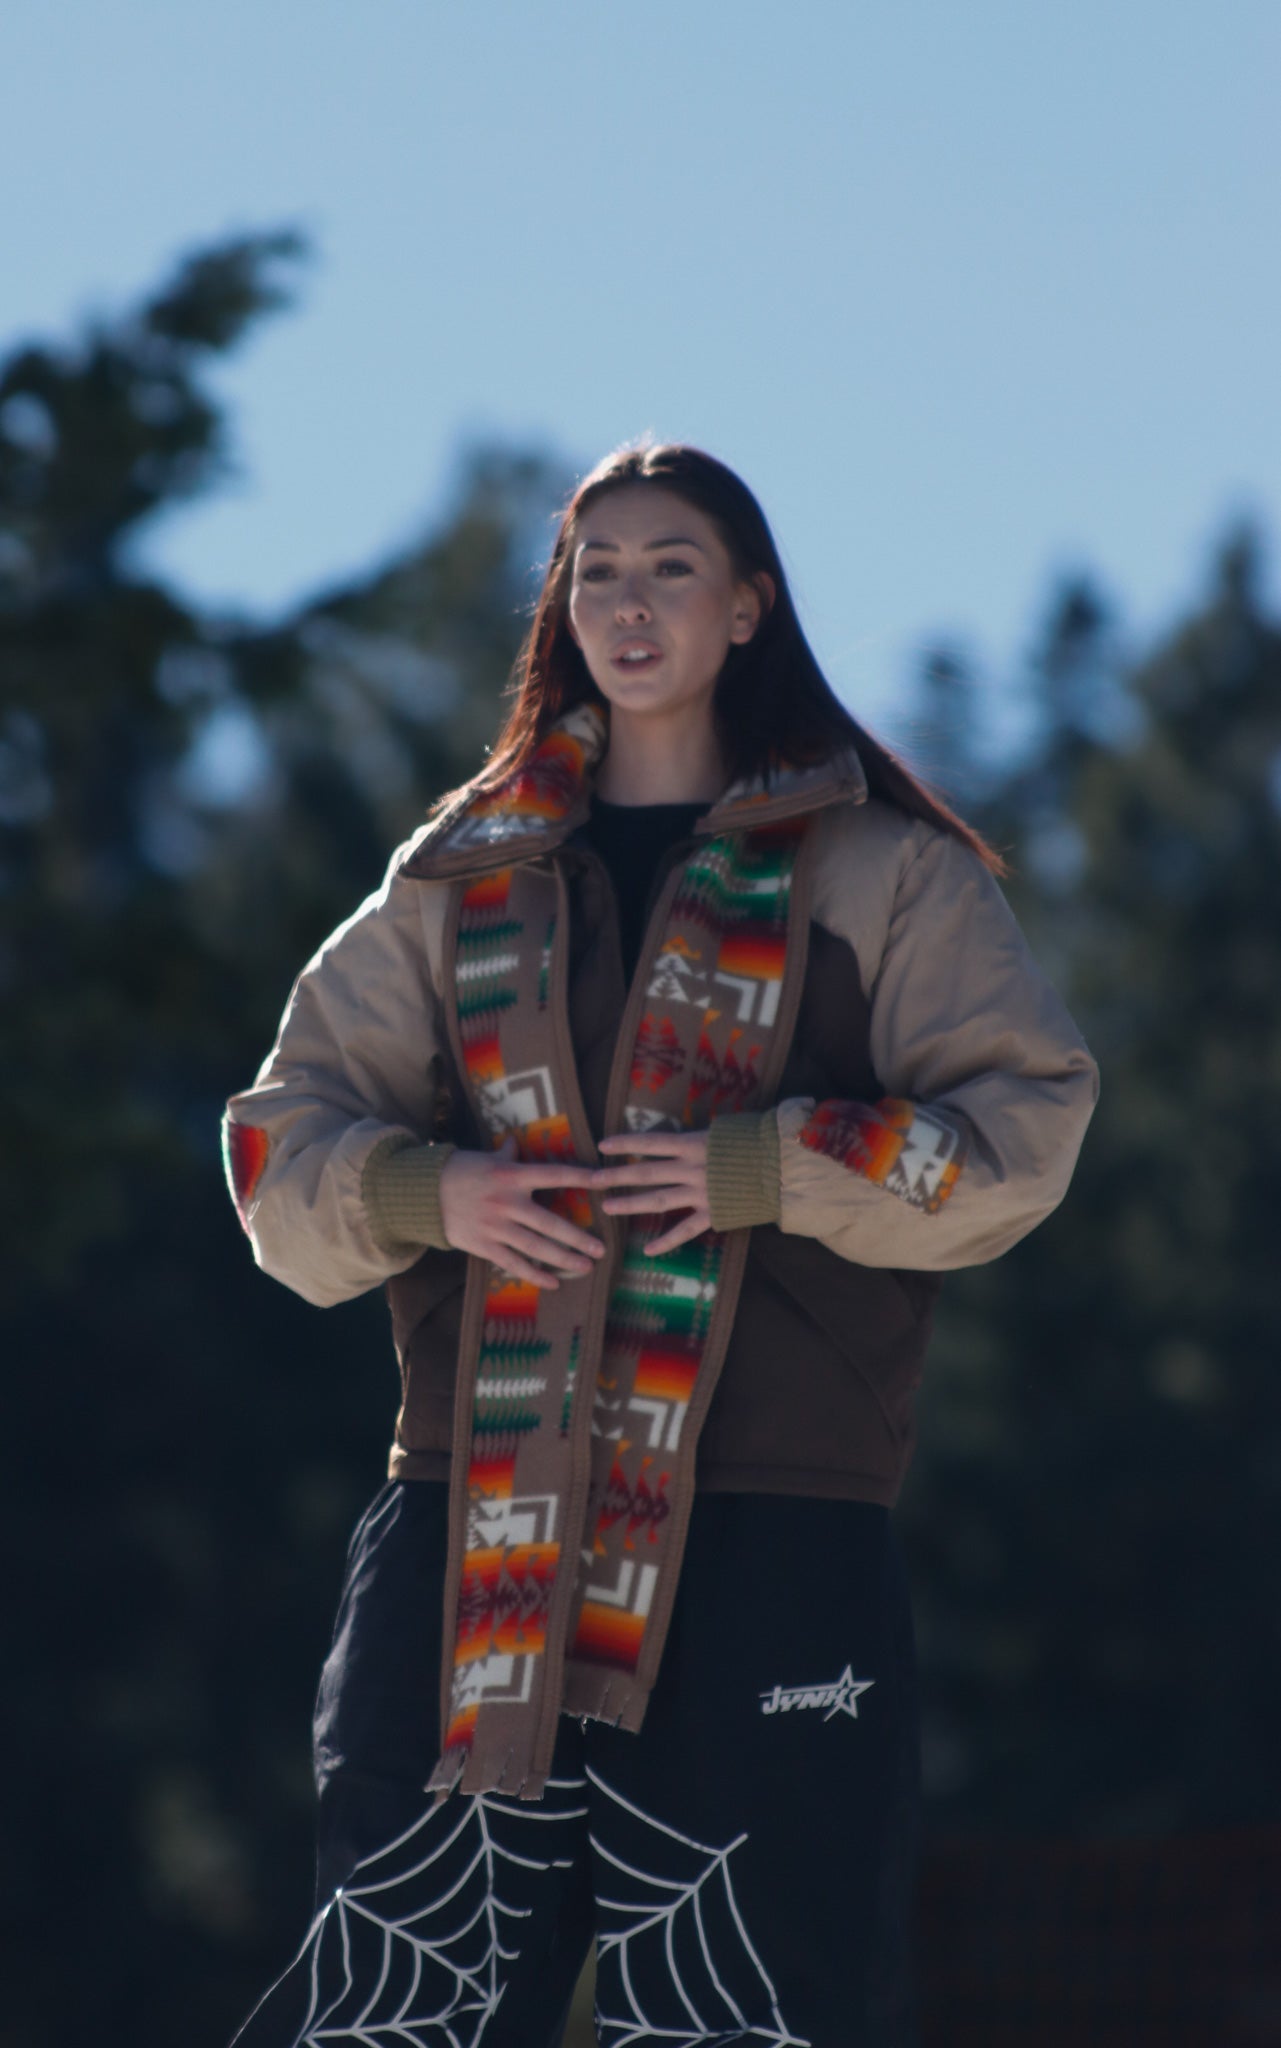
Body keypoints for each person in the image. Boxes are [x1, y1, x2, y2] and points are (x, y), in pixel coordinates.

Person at [221, 440, 1099, 2047]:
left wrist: (765, 1168)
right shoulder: (456, 876)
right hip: (467, 1518)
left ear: (748, 606)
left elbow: (1022, 1134)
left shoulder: (882, 876)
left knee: (766, 2005)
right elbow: (279, 1149)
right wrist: (442, 1197)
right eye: (596, 566)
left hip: (778, 1521)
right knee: (391, 2005)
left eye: (671, 565)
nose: (628, 600)